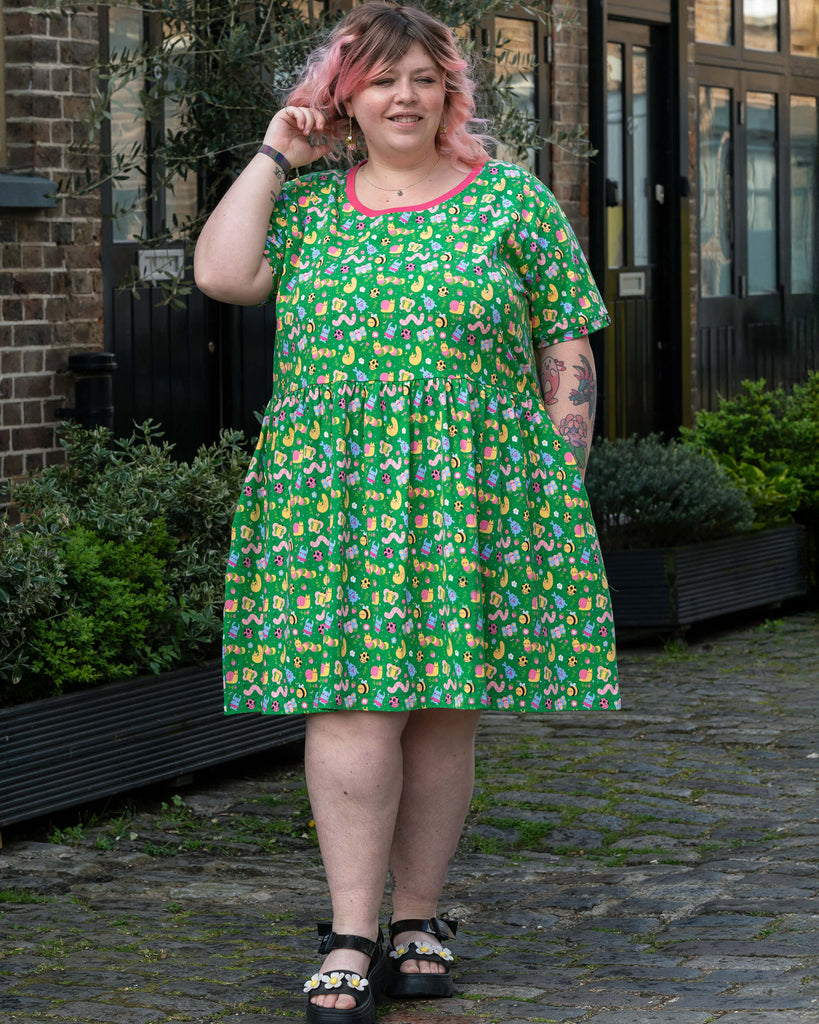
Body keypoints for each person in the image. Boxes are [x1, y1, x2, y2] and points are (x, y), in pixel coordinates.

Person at [194, 3, 620, 1021]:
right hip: (331, 493)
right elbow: (219, 272)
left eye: (424, 78)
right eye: (380, 79)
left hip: (471, 487)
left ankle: (418, 920)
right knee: (348, 702)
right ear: (344, 95)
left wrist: (557, 484)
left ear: (449, 93)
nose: (403, 96)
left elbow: (568, 347)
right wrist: (272, 148)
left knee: (438, 709)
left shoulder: (511, 202)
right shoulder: (303, 209)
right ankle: (349, 930)